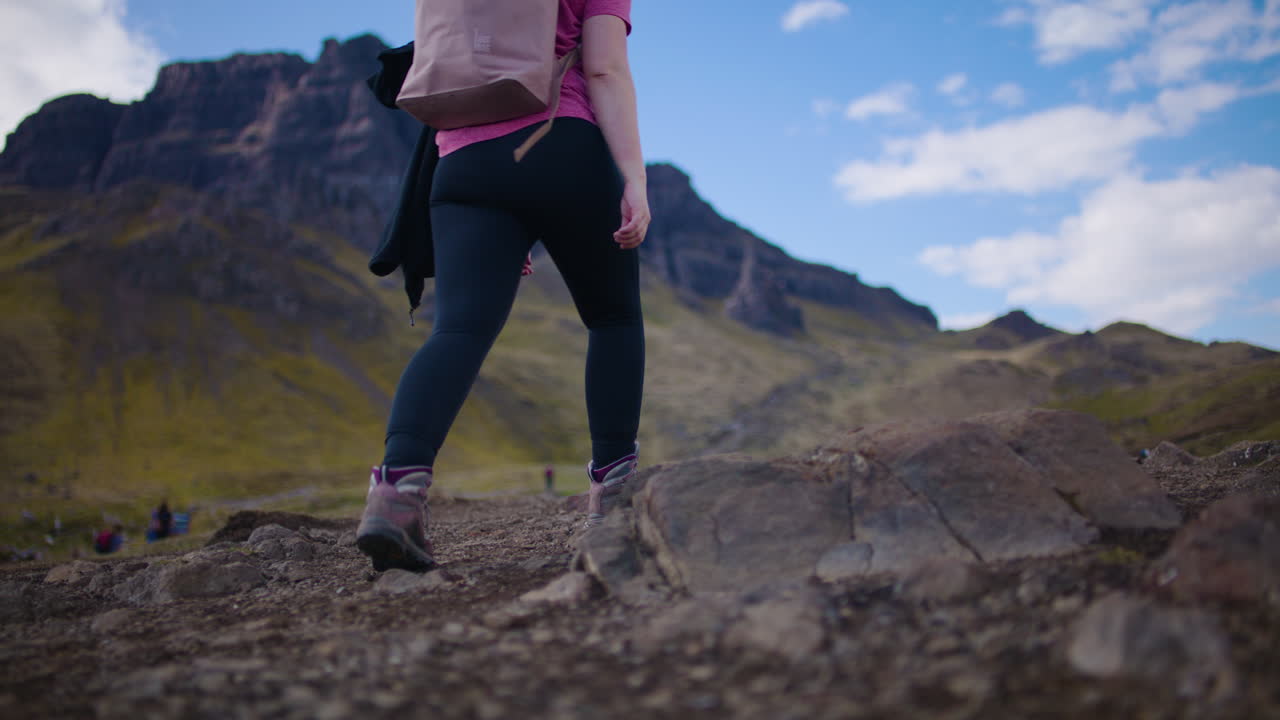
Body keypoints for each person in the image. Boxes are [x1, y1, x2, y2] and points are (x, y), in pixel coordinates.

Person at [357, 0, 647, 573]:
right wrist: (635, 176)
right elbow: (604, 68)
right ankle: (613, 507)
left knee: (458, 330)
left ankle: (394, 498)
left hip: (462, 163)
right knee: (612, 320)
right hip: (561, 141)